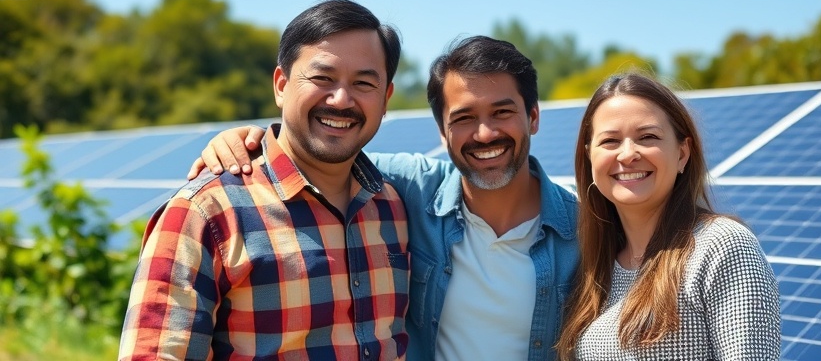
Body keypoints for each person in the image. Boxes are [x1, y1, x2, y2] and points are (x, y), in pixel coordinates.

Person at [189, 36, 579, 360]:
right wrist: (251, 139)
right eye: (463, 118)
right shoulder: (413, 189)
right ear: (442, 134)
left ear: (533, 117)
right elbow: (322, 150)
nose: (484, 133)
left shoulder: (585, 227)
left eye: (502, 112)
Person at [119, 0, 410, 360]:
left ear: (386, 99)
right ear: (281, 85)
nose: (340, 99)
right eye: (322, 77)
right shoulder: (207, 214)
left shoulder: (395, 207)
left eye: (364, 83)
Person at [556, 72, 780, 360]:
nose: (627, 155)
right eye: (610, 141)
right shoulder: (592, 269)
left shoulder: (722, 247)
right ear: (589, 156)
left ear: (682, 153)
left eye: (647, 137)